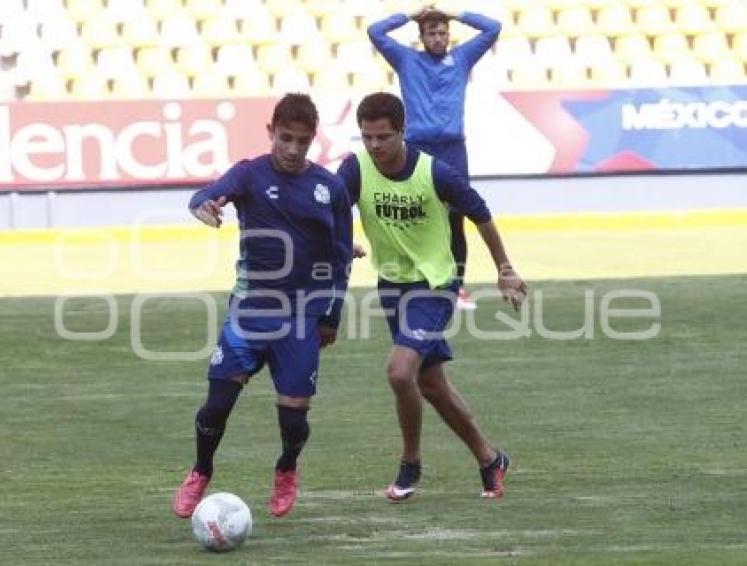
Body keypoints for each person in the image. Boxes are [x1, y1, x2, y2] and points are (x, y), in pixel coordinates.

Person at [336, 92, 526, 501]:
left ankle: (410, 464)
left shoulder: (435, 172)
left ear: (402, 132)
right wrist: (340, 240)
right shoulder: (355, 169)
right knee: (432, 384)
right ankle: (490, 459)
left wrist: (505, 269)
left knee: (400, 371)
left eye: (383, 136)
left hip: (436, 284)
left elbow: (480, 212)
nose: (374, 146)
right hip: (392, 285)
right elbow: (330, 209)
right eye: (366, 137)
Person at [173, 93, 352, 519]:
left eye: (302, 142)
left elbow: (341, 257)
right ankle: (201, 470)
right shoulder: (249, 174)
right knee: (216, 405)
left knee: (293, 418)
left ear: (313, 140)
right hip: (250, 312)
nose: (292, 150)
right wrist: (204, 206)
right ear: (271, 132)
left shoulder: (330, 188)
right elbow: (205, 194)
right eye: (285, 138)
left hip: (302, 318)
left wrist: (331, 315)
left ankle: (287, 467)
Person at [367, 4, 502, 310]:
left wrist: (453, 13)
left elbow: (493, 27)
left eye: (443, 33)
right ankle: (417, 281)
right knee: (419, 217)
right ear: (422, 36)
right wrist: (412, 15)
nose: (439, 38)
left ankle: (456, 290)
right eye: (432, 33)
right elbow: (375, 31)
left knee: (457, 219)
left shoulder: (462, 58)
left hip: (453, 149)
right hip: (417, 148)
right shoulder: (406, 60)